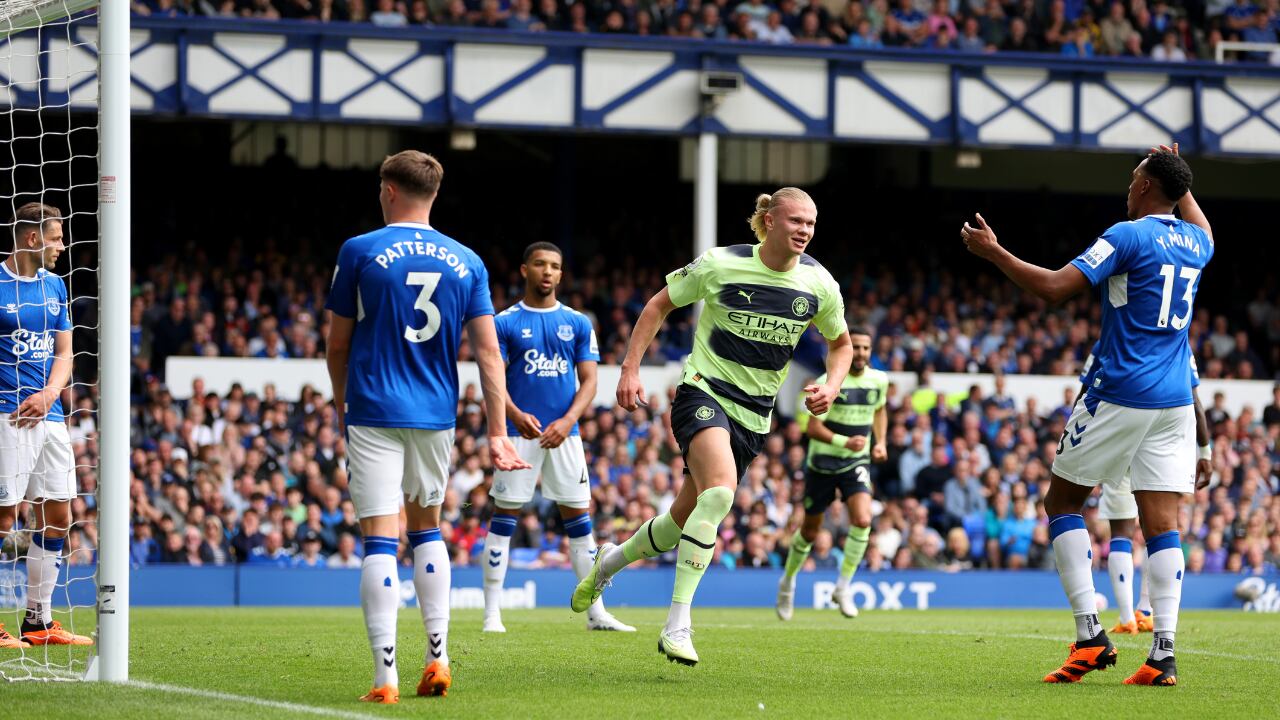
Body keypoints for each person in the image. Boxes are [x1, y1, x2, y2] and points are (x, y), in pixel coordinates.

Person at [961, 142, 1211, 686]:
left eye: (1134, 178)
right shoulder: (1198, 241)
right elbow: (1195, 214)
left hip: (1121, 390)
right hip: (1174, 402)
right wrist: (1174, 173)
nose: (1127, 187)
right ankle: (1163, 653)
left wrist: (996, 252)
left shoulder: (1126, 235)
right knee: (1162, 524)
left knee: (1062, 501)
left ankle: (1090, 637)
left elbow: (1053, 289)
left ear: (1146, 186)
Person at [571, 187, 852, 665]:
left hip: (754, 415)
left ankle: (609, 561)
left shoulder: (819, 284)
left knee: (682, 520)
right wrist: (630, 368)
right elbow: (659, 305)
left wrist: (832, 383)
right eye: (795, 221)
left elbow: (841, 344)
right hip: (704, 391)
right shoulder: (720, 264)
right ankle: (678, 625)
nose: (804, 230)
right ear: (769, 221)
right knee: (719, 494)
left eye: (811, 223)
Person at [325, 150, 529, 703]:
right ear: (433, 195)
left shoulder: (360, 250)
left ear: (388, 190)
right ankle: (437, 659)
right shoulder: (467, 260)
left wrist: (344, 403)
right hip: (435, 414)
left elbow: (337, 344)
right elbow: (489, 354)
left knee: (378, 539)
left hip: (372, 410)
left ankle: (385, 678)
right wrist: (495, 433)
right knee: (427, 531)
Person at [481, 241, 633, 633]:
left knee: (581, 523)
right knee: (504, 519)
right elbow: (493, 378)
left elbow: (590, 380)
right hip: (519, 433)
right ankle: (491, 614)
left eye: (554, 266)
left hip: (566, 435)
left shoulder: (578, 322)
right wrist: (514, 414)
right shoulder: (505, 322)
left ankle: (596, 614)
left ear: (561, 274)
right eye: (540, 264)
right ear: (524, 270)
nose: (547, 271)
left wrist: (567, 421)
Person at [0, 202, 91, 649]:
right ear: (33, 239)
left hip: (50, 414)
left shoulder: (55, 287)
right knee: (3, 516)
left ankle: (38, 620)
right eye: (56, 238)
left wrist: (51, 393)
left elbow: (64, 352)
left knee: (59, 514)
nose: (62, 246)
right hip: (7, 415)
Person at [1080, 343, 1211, 636]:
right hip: (1163, 437)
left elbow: (1085, 393)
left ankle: (1128, 617)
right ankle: (1147, 611)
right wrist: (1205, 450)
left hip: (1120, 432)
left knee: (1122, 532)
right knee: (1161, 529)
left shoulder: (1110, 338)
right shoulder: (1179, 344)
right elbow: (1195, 399)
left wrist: (1077, 439)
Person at [776, 326, 887, 620]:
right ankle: (787, 582)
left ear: (870, 351)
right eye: (857, 347)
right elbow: (812, 428)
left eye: (866, 348)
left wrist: (881, 442)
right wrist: (844, 442)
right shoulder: (828, 382)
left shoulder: (879, 381)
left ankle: (843, 586)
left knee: (863, 519)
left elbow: (879, 410)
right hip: (822, 463)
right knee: (810, 531)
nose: (861, 353)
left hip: (856, 463)